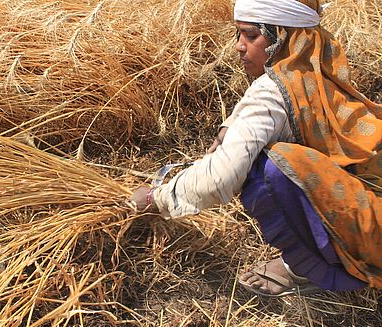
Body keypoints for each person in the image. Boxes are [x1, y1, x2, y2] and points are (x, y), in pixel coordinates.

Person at [131, 0, 381, 297]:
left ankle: (312, 268)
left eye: (251, 35)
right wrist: (232, 124)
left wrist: (155, 198)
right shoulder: (315, 64)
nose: (239, 46)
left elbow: (222, 175)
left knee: (269, 170)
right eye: (238, 35)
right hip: (370, 201)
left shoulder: (269, 92)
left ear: (281, 37)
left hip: (372, 236)